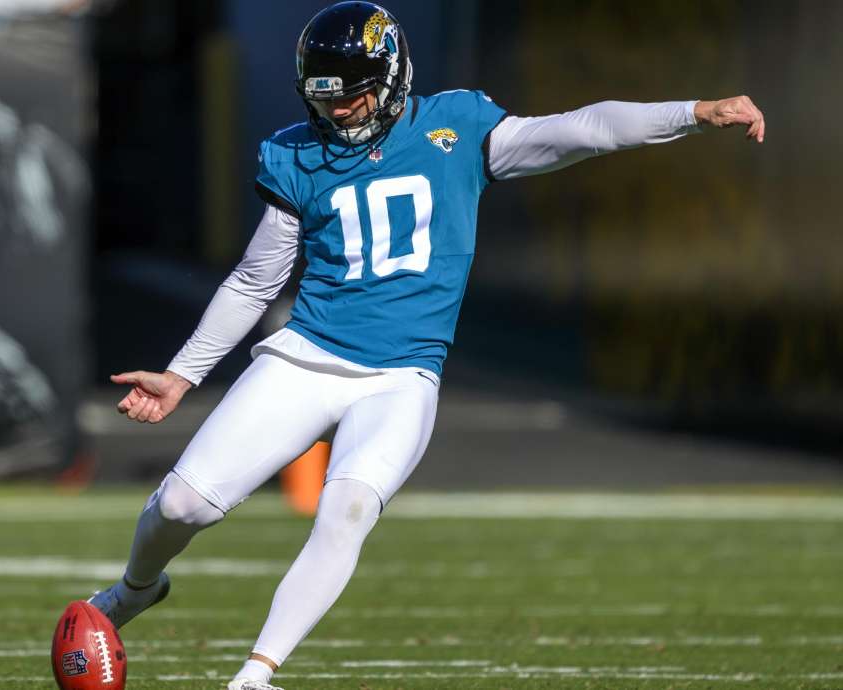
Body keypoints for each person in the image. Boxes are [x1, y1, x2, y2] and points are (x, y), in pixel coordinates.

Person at [87, 3, 766, 688]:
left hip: (402, 375)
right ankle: (134, 590)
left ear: (390, 80)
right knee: (183, 505)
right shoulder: (297, 152)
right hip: (307, 355)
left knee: (345, 510)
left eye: (352, 95)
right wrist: (184, 373)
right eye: (325, 98)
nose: (340, 114)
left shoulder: (457, 128)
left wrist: (694, 111)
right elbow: (256, 279)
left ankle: (255, 676)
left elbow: (585, 128)